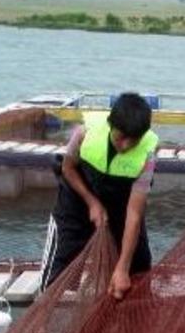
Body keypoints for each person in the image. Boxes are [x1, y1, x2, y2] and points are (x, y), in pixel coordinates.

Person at [41, 92, 158, 299]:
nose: (126, 145)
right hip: (77, 199)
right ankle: (44, 326)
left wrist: (122, 268)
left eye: (134, 140)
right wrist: (92, 202)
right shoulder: (84, 134)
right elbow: (68, 169)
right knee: (58, 273)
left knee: (136, 268)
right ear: (111, 125)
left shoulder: (147, 155)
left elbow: (134, 212)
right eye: (121, 137)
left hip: (121, 205)